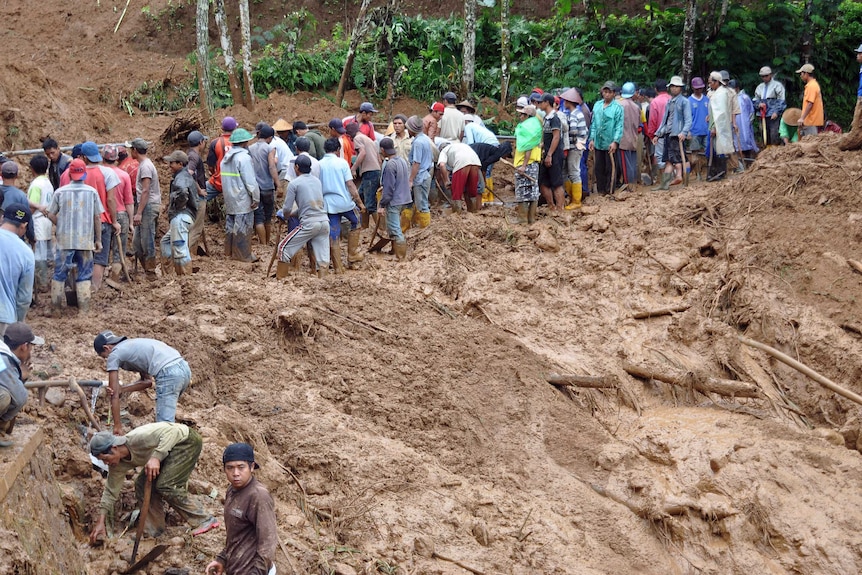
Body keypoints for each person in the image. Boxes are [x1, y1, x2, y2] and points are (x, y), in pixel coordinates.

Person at [88, 423, 218, 543]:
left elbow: (172, 432)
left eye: (106, 459)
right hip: (168, 452)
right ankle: (154, 530)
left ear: (114, 448)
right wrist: (101, 521)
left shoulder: (138, 439)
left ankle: (204, 520)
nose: (106, 464)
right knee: (141, 484)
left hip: (186, 441)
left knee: (166, 485)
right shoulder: (117, 466)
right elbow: (110, 491)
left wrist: (156, 457)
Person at [94, 331, 193, 432]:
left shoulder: (114, 354)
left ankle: (173, 446)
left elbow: (113, 395)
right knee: (167, 424)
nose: (107, 359)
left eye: (104, 357)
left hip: (168, 374)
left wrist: (117, 427)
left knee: (165, 428)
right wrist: (122, 389)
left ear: (106, 348)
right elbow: (147, 382)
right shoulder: (133, 345)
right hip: (184, 369)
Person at [205, 443, 277, 575]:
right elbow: (236, 535)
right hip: (236, 568)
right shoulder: (232, 490)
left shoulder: (258, 496)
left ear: (252, 467)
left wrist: (257, 573)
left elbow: (268, 542)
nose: (235, 473)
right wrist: (222, 559)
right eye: (230, 468)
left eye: (241, 467)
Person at [47, 160, 102, 313]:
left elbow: (50, 214)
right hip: (85, 241)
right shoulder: (91, 192)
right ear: (84, 174)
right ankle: (84, 310)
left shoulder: (60, 192)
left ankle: (56, 309)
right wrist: (98, 240)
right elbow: (97, 217)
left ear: (70, 174)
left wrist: (61, 224)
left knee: (59, 273)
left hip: (64, 241)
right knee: (85, 273)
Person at [275, 155, 330, 279]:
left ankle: (280, 282)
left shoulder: (294, 184)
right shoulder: (317, 181)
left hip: (309, 224)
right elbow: (310, 206)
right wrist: (293, 213)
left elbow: (287, 208)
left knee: (283, 248)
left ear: (297, 167)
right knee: (323, 260)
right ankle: (324, 284)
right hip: (324, 222)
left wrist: (285, 216)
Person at [320, 137, 365, 274]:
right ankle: (352, 255)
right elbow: (350, 184)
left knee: (333, 234)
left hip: (328, 204)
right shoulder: (342, 163)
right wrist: (360, 203)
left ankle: (338, 267)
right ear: (338, 149)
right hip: (344, 202)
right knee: (356, 221)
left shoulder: (319, 164)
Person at [81, 141, 121, 291]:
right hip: (102, 220)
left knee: (84, 255)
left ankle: (82, 286)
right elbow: (111, 199)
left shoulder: (79, 172)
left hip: (82, 222)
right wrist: (115, 221)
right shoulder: (107, 173)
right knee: (100, 258)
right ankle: (95, 288)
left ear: (84, 157)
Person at [221, 128, 260, 262]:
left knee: (230, 226)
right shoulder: (244, 158)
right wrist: (255, 197)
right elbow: (250, 181)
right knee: (243, 227)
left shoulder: (226, 158)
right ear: (245, 142)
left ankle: (229, 252)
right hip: (242, 198)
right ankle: (242, 255)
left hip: (230, 198)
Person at [0, 323, 42, 447]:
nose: (30, 352)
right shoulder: (3, 361)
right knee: (4, 397)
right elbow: (20, 398)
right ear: (24, 346)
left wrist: (18, 377)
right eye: (31, 347)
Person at [160, 151, 197, 275]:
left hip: (181, 216)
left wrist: (178, 207)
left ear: (180, 164)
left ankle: (185, 278)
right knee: (165, 242)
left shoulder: (181, 177)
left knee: (180, 250)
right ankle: (169, 274)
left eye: (172, 163)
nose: (169, 165)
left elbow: (182, 192)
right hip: (184, 216)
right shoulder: (183, 176)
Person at [652, 76, 691, 190]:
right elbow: (665, 120)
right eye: (672, 86)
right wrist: (658, 134)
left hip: (677, 135)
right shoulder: (669, 102)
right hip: (668, 134)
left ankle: (683, 179)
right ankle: (664, 185)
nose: (674, 89)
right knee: (668, 160)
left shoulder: (684, 102)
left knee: (679, 158)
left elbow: (688, 120)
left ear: (681, 88)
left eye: (677, 87)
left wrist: (683, 132)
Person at [130, 138, 161, 275]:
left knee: (147, 239)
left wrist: (139, 212)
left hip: (148, 206)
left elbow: (146, 190)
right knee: (137, 242)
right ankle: (146, 269)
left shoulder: (145, 166)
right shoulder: (144, 165)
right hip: (145, 205)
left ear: (135, 150)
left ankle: (151, 271)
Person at [0, 205, 34, 331]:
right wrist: (18, 323)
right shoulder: (26, 253)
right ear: (24, 226)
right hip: (4, 317)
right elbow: (24, 298)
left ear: (3, 218)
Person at [102, 144, 135, 274]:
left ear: (102, 158)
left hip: (103, 214)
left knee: (102, 250)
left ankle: (101, 280)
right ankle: (115, 277)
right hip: (121, 214)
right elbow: (129, 202)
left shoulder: (99, 173)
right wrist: (131, 222)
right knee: (118, 252)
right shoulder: (123, 175)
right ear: (116, 159)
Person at [377, 137, 411, 260]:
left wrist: (382, 205)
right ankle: (394, 250)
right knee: (394, 226)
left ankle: (401, 257)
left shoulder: (390, 165)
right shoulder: (401, 160)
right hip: (404, 198)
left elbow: (389, 188)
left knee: (395, 229)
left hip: (394, 200)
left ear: (382, 149)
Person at [588, 81, 624, 195]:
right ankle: (601, 190)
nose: (606, 94)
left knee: (610, 167)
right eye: (605, 92)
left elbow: (619, 126)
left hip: (610, 142)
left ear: (614, 93)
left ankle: (610, 190)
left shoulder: (618, 108)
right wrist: (592, 139)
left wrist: (615, 141)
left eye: (609, 92)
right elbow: (593, 123)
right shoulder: (597, 105)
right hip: (598, 141)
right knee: (599, 167)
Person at [26, 155, 54, 292]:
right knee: (47, 254)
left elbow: (32, 207)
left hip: (38, 222)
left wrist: (24, 219)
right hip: (48, 221)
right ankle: (47, 281)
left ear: (32, 169)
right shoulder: (48, 183)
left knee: (39, 255)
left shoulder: (36, 185)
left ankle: (41, 284)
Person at [249, 125, 280, 246]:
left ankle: (263, 244)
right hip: (267, 187)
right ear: (270, 137)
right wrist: (278, 184)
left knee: (258, 217)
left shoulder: (250, 148)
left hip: (255, 187)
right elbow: (272, 166)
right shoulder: (270, 148)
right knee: (267, 217)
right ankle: (267, 241)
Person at [707, 71, 741, 181]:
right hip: (716, 124)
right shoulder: (713, 93)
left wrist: (716, 127)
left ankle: (730, 170)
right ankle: (718, 172)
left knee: (725, 148)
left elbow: (723, 112)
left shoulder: (725, 93)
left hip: (722, 124)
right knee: (716, 148)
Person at [348, 121, 380, 232]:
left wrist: (353, 168)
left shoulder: (357, 139)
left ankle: (380, 229)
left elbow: (362, 153)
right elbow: (378, 157)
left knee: (370, 203)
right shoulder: (367, 139)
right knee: (361, 197)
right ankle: (365, 227)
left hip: (369, 172)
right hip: (374, 170)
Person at [536, 93, 566, 209]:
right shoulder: (546, 118)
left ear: (546, 103)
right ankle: (551, 206)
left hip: (554, 154)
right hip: (547, 153)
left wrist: (550, 155)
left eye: (540, 102)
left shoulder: (554, 118)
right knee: (543, 182)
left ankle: (560, 208)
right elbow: (548, 137)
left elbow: (556, 137)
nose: (539, 104)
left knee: (557, 182)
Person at [513, 103, 542, 223]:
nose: (520, 117)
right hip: (533, 164)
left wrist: (524, 165)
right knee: (533, 192)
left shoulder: (528, 128)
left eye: (522, 115)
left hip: (526, 164)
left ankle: (522, 220)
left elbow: (528, 147)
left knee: (523, 192)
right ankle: (531, 220)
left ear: (527, 116)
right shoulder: (536, 127)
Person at [559, 88, 587, 209]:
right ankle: (573, 198)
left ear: (569, 102)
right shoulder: (576, 113)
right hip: (577, 145)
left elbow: (574, 130)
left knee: (574, 172)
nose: (563, 103)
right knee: (569, 172)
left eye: (565, 100)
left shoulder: (575, 114)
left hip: (575, 146)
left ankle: (576, 201)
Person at [437, 141, 482, 213]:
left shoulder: (444, 151)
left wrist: (446, 181)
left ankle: (457, 214)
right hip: (475, 161)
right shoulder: (458, 146)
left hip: (461, 162)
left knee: (457, 191)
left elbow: (442, 165)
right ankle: (473, 212)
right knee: (471, 190)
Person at [0, 161, 38, 244]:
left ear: (1, 175)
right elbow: (27, 219)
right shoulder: (20, 196)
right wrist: (31, 237)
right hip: (15, 239)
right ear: (16, 176)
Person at [406, 115, 433, 229]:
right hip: (425, 174)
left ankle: (425, 229)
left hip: (420, 177)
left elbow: (416, 163)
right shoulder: (425, 139)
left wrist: (410, 180)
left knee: (422, 204)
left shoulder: (418, 143)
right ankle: (415, 224)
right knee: (415, 202)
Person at [186, 130, 209, 256]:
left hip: (191, 196)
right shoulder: (194, 157)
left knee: (191, 227)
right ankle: (183, 254)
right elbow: (189, 174)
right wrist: (199, 190)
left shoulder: (189, 154)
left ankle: (188, 253)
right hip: (197, 197)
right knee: (196, 229)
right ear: (200, 142)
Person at [752, 66, 786, 146]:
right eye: (762, 76)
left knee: (774, 134)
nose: (764, 78)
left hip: (773, 115)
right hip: (762, 115)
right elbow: (755, 100)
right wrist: (758, 104)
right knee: (763, 133)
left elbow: (781, 101)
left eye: (766, 76)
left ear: (770, 75)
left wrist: (776, 112)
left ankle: (776, 151)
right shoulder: (759, 87)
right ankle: (766, 151)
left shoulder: (777, 86)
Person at [617, 82, 641, 190]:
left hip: (623, 139)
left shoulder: (620, 105)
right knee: (632, 163)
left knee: (625, 164)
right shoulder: (636, 107)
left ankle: (628, 185)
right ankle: (632, 183)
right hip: (633, 138)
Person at [730, 80, 759, 169]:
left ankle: (749, 164)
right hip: (734, 125)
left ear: (737, 88)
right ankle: (740, 166)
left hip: (745, 125)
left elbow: (751, 112)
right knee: (737, 144)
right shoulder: (730, 99)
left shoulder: (745, 98)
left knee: (747, 142)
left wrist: (748, 123)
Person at [206, 117, 237, 200]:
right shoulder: (240, 142)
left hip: (219, 182)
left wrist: (214, 174)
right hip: (237, 183)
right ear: (235, 128)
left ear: (222, 128)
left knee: (199, 197)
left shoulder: (215, 143)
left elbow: (211, 166)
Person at [646, 79, 671, 178]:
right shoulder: (672, 99)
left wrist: (652, 134)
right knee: (671, 156)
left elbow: (652, 120)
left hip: (660, 134)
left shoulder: (655, 102)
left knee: (660, 158)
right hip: (673, 133)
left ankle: (663, 180)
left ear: (656, 89)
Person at [688, 77, 710, 181]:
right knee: (695, 154)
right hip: (694, 131)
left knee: (709, 151)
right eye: (697, 88)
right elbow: (687, 118)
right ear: (693, 88)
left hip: (706, 130)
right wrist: (688, 131)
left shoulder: (706, 100)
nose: (699, 90)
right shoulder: (689, 101)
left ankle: (709, 172)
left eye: (700, 88)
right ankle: (697, 174)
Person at [796, 63, 824, 137]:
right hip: (811, 120)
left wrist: (802, 118)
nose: (800, 76)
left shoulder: (811, 86)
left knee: (810, 142)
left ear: (806, 74)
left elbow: (810, 103)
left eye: (801, 73)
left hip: (811, 121)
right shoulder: (813, 85)